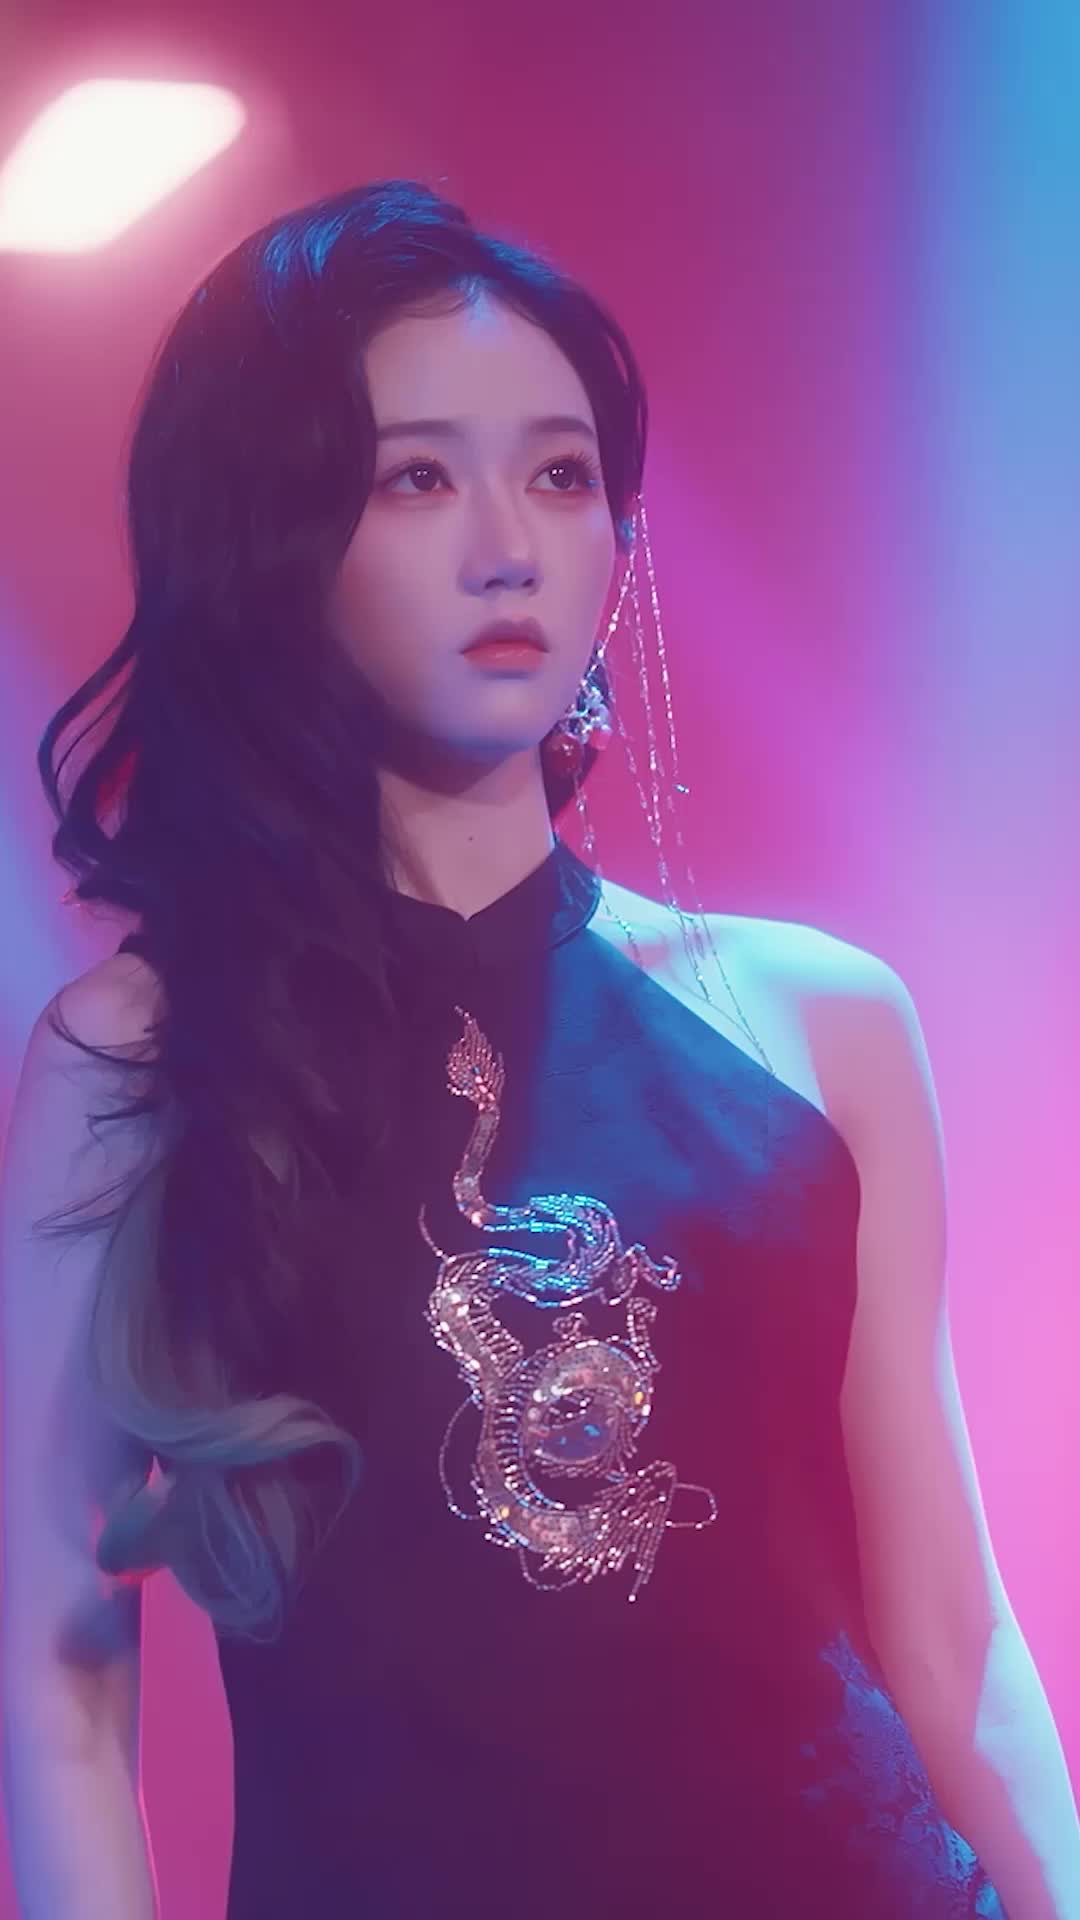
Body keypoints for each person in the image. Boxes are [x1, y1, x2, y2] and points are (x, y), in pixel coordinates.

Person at [1, 178, 1076, 1920]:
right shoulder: (140, 1064)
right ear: (272, 538)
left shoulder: (820, 1023)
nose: (508, 544)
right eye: (417, 478)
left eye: (562, 474)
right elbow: (58, 1677)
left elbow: (949, 1643)